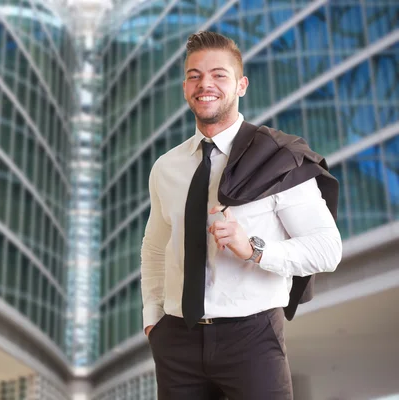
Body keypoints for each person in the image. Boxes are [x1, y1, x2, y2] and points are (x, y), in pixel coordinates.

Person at [140, 31, 343, 399]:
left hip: (252, 338)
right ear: (185, 86)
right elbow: (155, 248)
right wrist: (153, 318)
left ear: (241, 85)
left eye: (219, 75)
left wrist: (253, 248)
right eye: (194, 75)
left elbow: (328, 249)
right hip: (177, 341)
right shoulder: (166, 167)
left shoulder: (278, 159)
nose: (206, 85)